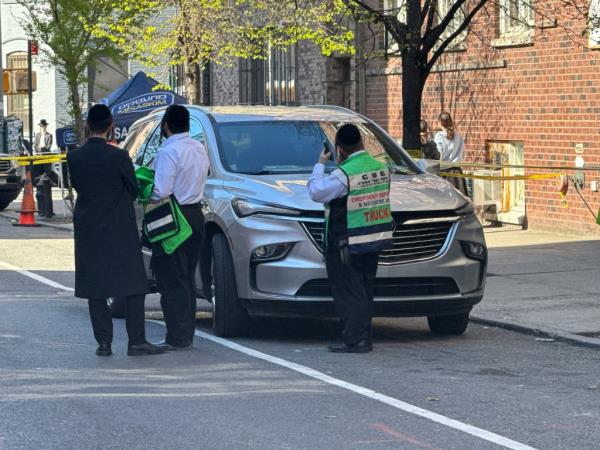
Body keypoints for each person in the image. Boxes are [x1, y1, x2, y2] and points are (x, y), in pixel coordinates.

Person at [67, 104, 165, 357]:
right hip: (119, 225)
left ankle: (104, 342)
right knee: (133, 283)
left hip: (89, 226)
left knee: (95, 286)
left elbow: (77, 185)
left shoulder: (75, 157)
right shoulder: (120, 157)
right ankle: (136, 341)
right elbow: (132, 188)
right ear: (111, 126)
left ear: (87, 126)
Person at [308, 124, 394, 353]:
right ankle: (364, 335)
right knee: (364, 289)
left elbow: (316, 192)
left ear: (340, 149)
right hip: (374, 239)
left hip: (347, 242)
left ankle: (356, 340)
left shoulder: (343, 174)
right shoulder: (381, 167)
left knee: (349, 292)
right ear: (362, 143)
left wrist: (319, 165)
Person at [151, 105, 210, 351]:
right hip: (196, 214)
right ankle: (187, 332)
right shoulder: (199, 148)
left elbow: (161, 190)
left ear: (166, 125)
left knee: (171, 278)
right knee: (186, 276)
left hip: (174, 218)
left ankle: (177, 335)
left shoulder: (168, 151)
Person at [434, 112, 468, 196]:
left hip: (444, 173)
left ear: (440, 122)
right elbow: (463, 154)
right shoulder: (459, 136)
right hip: (457, 174)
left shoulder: (439, 136)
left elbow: (439, 154)